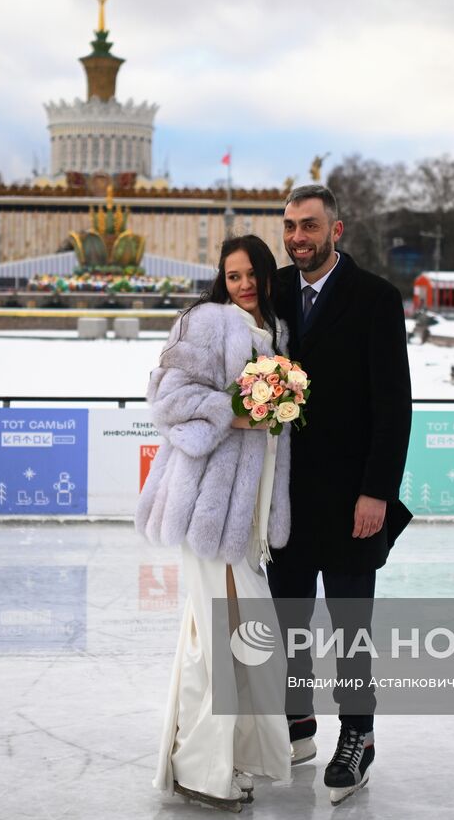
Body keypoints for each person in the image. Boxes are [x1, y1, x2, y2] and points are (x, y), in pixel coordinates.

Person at [136, 235, 293, 812]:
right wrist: (234, 412)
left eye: (252, 274)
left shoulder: (276, 333)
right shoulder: (205, 322)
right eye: (233, 276)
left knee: (234, 642)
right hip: (209, 508)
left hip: (246, 518)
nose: (244, 284)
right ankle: (203, 771)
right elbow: (169, 398)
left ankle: (224, 761)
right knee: (221, 644)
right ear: (220, 281)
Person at [271, 184, 413, 805]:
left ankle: (358, 733)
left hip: (353, 499)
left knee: (350, 627)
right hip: (285, 501)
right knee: (288, 621)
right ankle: (296, 720)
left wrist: (377, 492)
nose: (297, 237)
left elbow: (393, 406)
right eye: (290, 226)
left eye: (309, 226)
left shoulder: (376, 299)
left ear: (338, 229)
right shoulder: (271, 291)